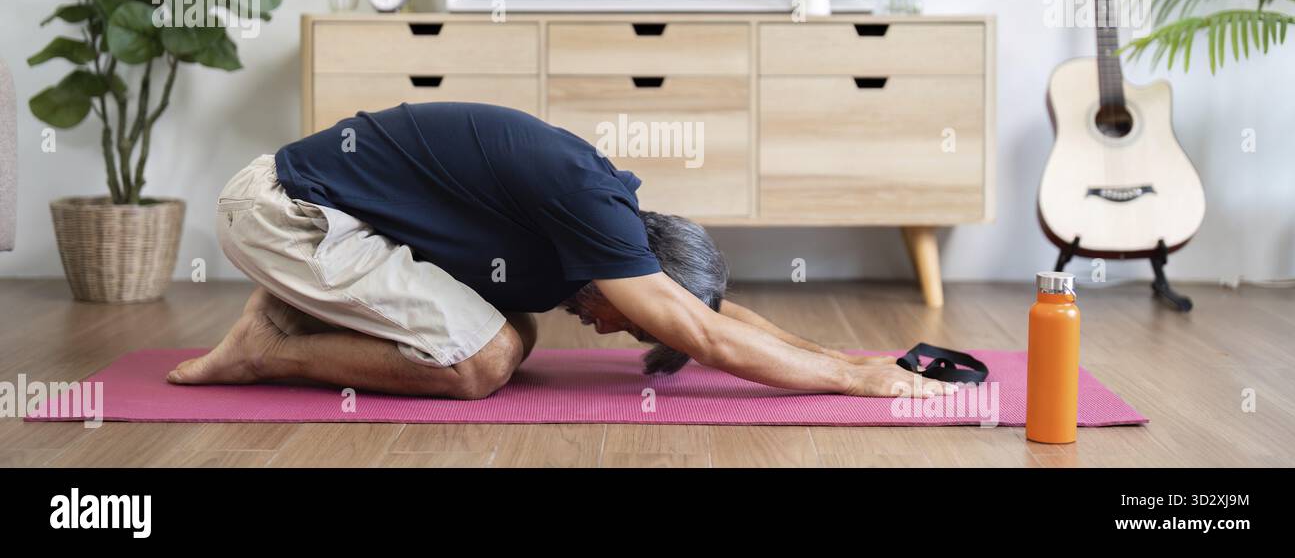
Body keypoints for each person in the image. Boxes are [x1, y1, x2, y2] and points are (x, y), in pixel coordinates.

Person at [169, 103, 948, 400]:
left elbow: (708, 314)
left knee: (520, 332)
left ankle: (292, 314)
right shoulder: (592, 203)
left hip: (324, 217)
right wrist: (854, 385)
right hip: (283, 213)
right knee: (483, 361)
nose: (613, 331)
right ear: (646, 272)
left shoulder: (610, 229)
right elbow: (702, 333)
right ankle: (266, 350)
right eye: (639, 322)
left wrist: (852, 357)